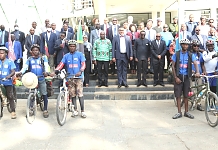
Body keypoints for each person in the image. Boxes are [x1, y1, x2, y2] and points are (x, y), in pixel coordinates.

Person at [54, 40, 87, 118]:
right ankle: (75, 110)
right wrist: (56, 70)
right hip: (70, 77)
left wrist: (80, 71)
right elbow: (61, 64)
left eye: (73, 46)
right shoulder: (66, 56)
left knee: (80, 94)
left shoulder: (80, 55)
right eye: (70, 46)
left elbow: (83, 64)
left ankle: (82, 111)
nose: (72, 47)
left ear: (75, 47)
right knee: (72, 95)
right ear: (68, 47)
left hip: (78, 78)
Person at [18, 44, 50, 118]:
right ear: (31, 51)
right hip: (32, 79)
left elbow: (46, 65)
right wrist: (20, 72)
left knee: (44, 93)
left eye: (37, 50)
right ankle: (31, 109)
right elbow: (25, 67)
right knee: (31, 94)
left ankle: (45, 109)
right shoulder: (29, 59)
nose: (35, 51)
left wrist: (47, 72)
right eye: (34, 50)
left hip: (41, 78)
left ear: (39, 51)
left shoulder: (43, 58)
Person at [172, 39, 200, 119]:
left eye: (187, 45)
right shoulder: (176, 54)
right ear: (181, 45)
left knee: (186, 95)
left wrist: (197, 72)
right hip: (179, 76)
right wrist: (175, 77)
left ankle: (186, 112)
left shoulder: (190, 54)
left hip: (187, 76)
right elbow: (173, 66)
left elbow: (195, 63)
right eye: (184, 44)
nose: (185, 46)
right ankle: (179, 112)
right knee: (178, 95)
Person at [0, 46, 17, 119]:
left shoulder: (10, 62)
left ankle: (13, 111)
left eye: (2, 53)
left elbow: (13, 71)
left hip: (7, 82)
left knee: (10, 96)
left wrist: (8, 76)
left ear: (6, 54)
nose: (0, 55)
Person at [190, 39, 206, 111]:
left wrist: (204, 71)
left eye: (197, 46)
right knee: (192, 89)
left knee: (200, 89)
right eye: (194, 46)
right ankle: (193, 102)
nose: (196, 47)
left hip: (199, 74)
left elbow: (202, 64)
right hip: (191, 74)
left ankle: (198, 104)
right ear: (192, 46)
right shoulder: (189, 54)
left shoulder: (200, 55)